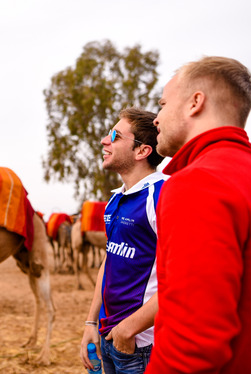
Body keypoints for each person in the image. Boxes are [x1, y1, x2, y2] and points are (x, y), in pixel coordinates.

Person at [146, 56, 251, 373]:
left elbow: (191, 346)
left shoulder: (198, 184)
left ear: (195, 102)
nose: (156, 118)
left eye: (163, 103)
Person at [80, 107, 167, 373]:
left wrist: (129, 330)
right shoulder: (115, 200)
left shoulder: (162, 194)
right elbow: (110, 259)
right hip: (109, 337)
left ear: (142, 151)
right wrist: (90, 323)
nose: (105, 141)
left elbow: (183, 277)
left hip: (141, 344)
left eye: (115, 135)